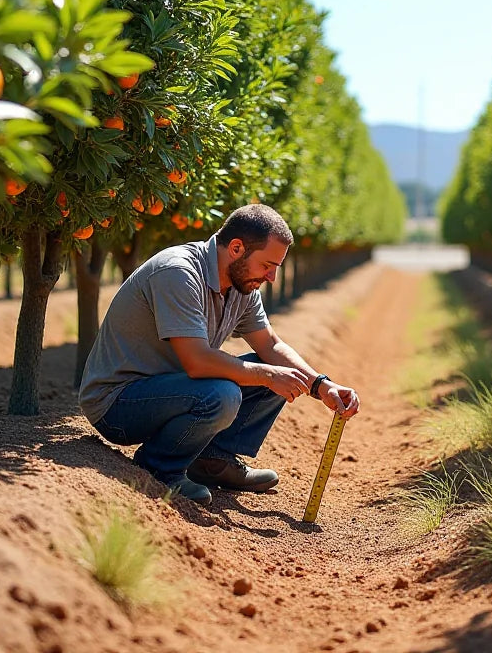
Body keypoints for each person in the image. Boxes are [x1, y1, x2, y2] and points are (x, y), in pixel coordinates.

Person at [78, 203, 360, 503]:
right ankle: (160, 467)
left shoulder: (242, 286)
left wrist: (321, 385)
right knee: (224, 393)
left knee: (279, 372)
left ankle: (212, 461)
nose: (272, 278)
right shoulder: (179, 273)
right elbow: (198, 362)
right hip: (118, 403)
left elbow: (271, 346)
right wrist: (267, 375)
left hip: (172, 388)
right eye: (267, 265)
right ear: (236, 248)